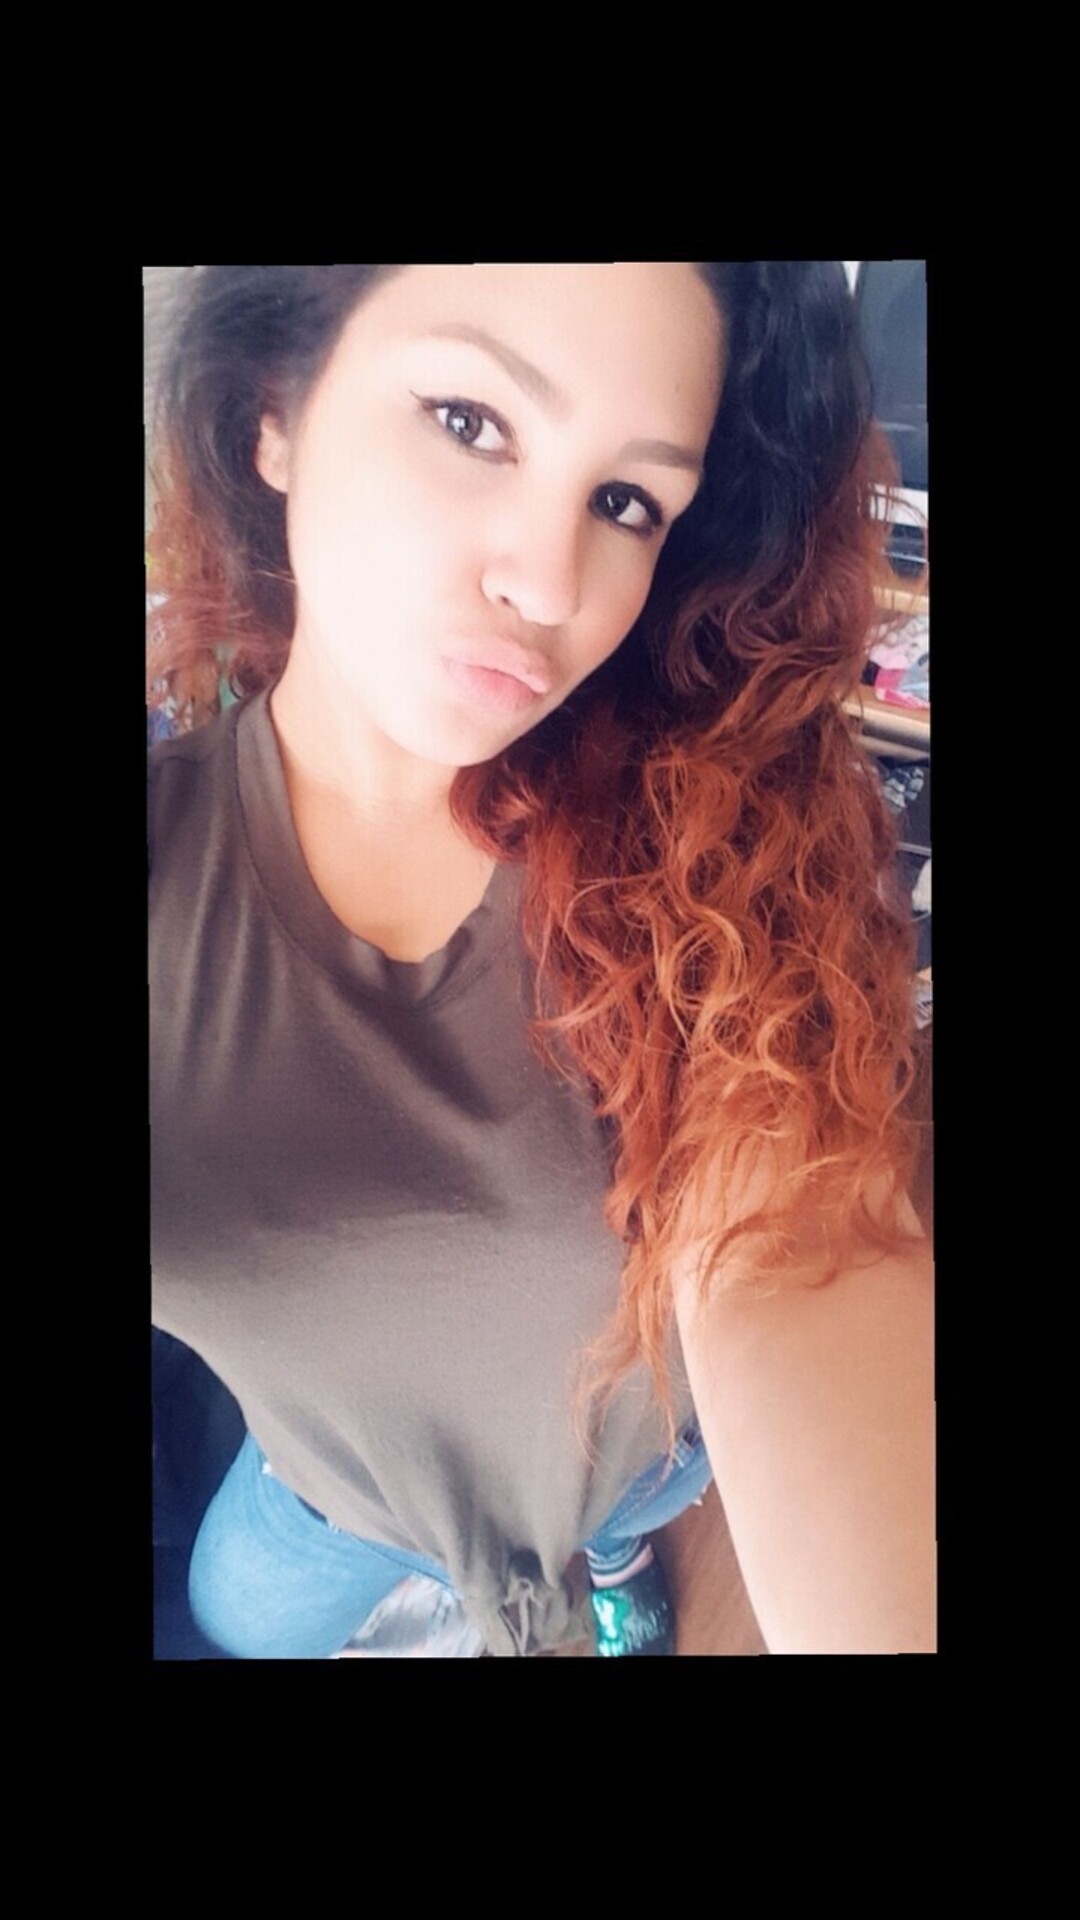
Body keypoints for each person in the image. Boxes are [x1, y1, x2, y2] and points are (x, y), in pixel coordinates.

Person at [148, 263, 934, 1658]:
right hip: (328, 1503)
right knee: (225, 1627)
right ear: (276, 408)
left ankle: (607, 1549)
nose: (548, 582)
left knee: (623, 1513)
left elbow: (797, 1252)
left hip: (635, 1461)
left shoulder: (713, 851)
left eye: (626, 501)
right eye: (471, 422)